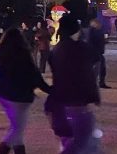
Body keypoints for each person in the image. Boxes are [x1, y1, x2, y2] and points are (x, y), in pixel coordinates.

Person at [0, 28, 52, 154]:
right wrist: (51, 90)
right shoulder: (23, 54)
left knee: (17, 128)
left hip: (4, 95)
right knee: (17, 129)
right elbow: (34, 75)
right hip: (20, 98)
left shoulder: (0, 53)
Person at [49, 14, 100, 154]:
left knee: (70, 140)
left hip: (59, 101)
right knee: (82, 140)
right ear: (75, 30)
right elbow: (87, 75)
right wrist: (92, 98)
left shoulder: (57, 49)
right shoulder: (80, 49)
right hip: (77, 101)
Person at [88, 19, 110, 87]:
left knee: (101, 68)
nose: (99, 25)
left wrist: (104, 40)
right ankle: (95, 83)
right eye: (98, 24)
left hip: (98, 52)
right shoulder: (92, 31)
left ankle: (100, 82)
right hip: (95, 53)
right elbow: (93, 41)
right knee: (98, 68)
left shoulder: (97, 31)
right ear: (94, 24)